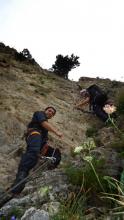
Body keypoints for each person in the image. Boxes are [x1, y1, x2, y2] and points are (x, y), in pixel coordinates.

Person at [11, 106, 63, 194]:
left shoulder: (45, 129)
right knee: (33, 152)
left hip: (41, 144)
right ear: (45, 110)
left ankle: (50, 168)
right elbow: (43, 123)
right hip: (34, 134)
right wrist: (56, 132)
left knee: (56, 153)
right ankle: (21, 175)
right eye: (49, 111)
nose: (50, 113)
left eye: (52, 113)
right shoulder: (39, 114)